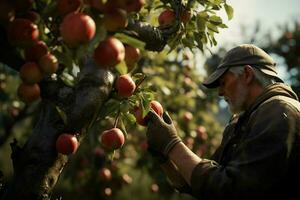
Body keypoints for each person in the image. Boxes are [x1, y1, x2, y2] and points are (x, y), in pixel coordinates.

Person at [146, 44, 300, 200]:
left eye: (223, 82)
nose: (219, 92)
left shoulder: (278, 112)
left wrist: (172, 144)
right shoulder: (245, 121)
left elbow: (231, 190)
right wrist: (164, 156)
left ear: (247, 74)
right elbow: (198, 183)